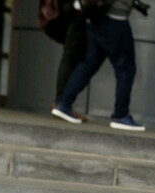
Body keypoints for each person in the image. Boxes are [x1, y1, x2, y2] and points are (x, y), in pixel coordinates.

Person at [52, 0, 145, 131]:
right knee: (126, 70)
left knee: (87, 65)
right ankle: (121, 115)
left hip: (96, 18)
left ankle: (63, 103)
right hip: (116, 20)